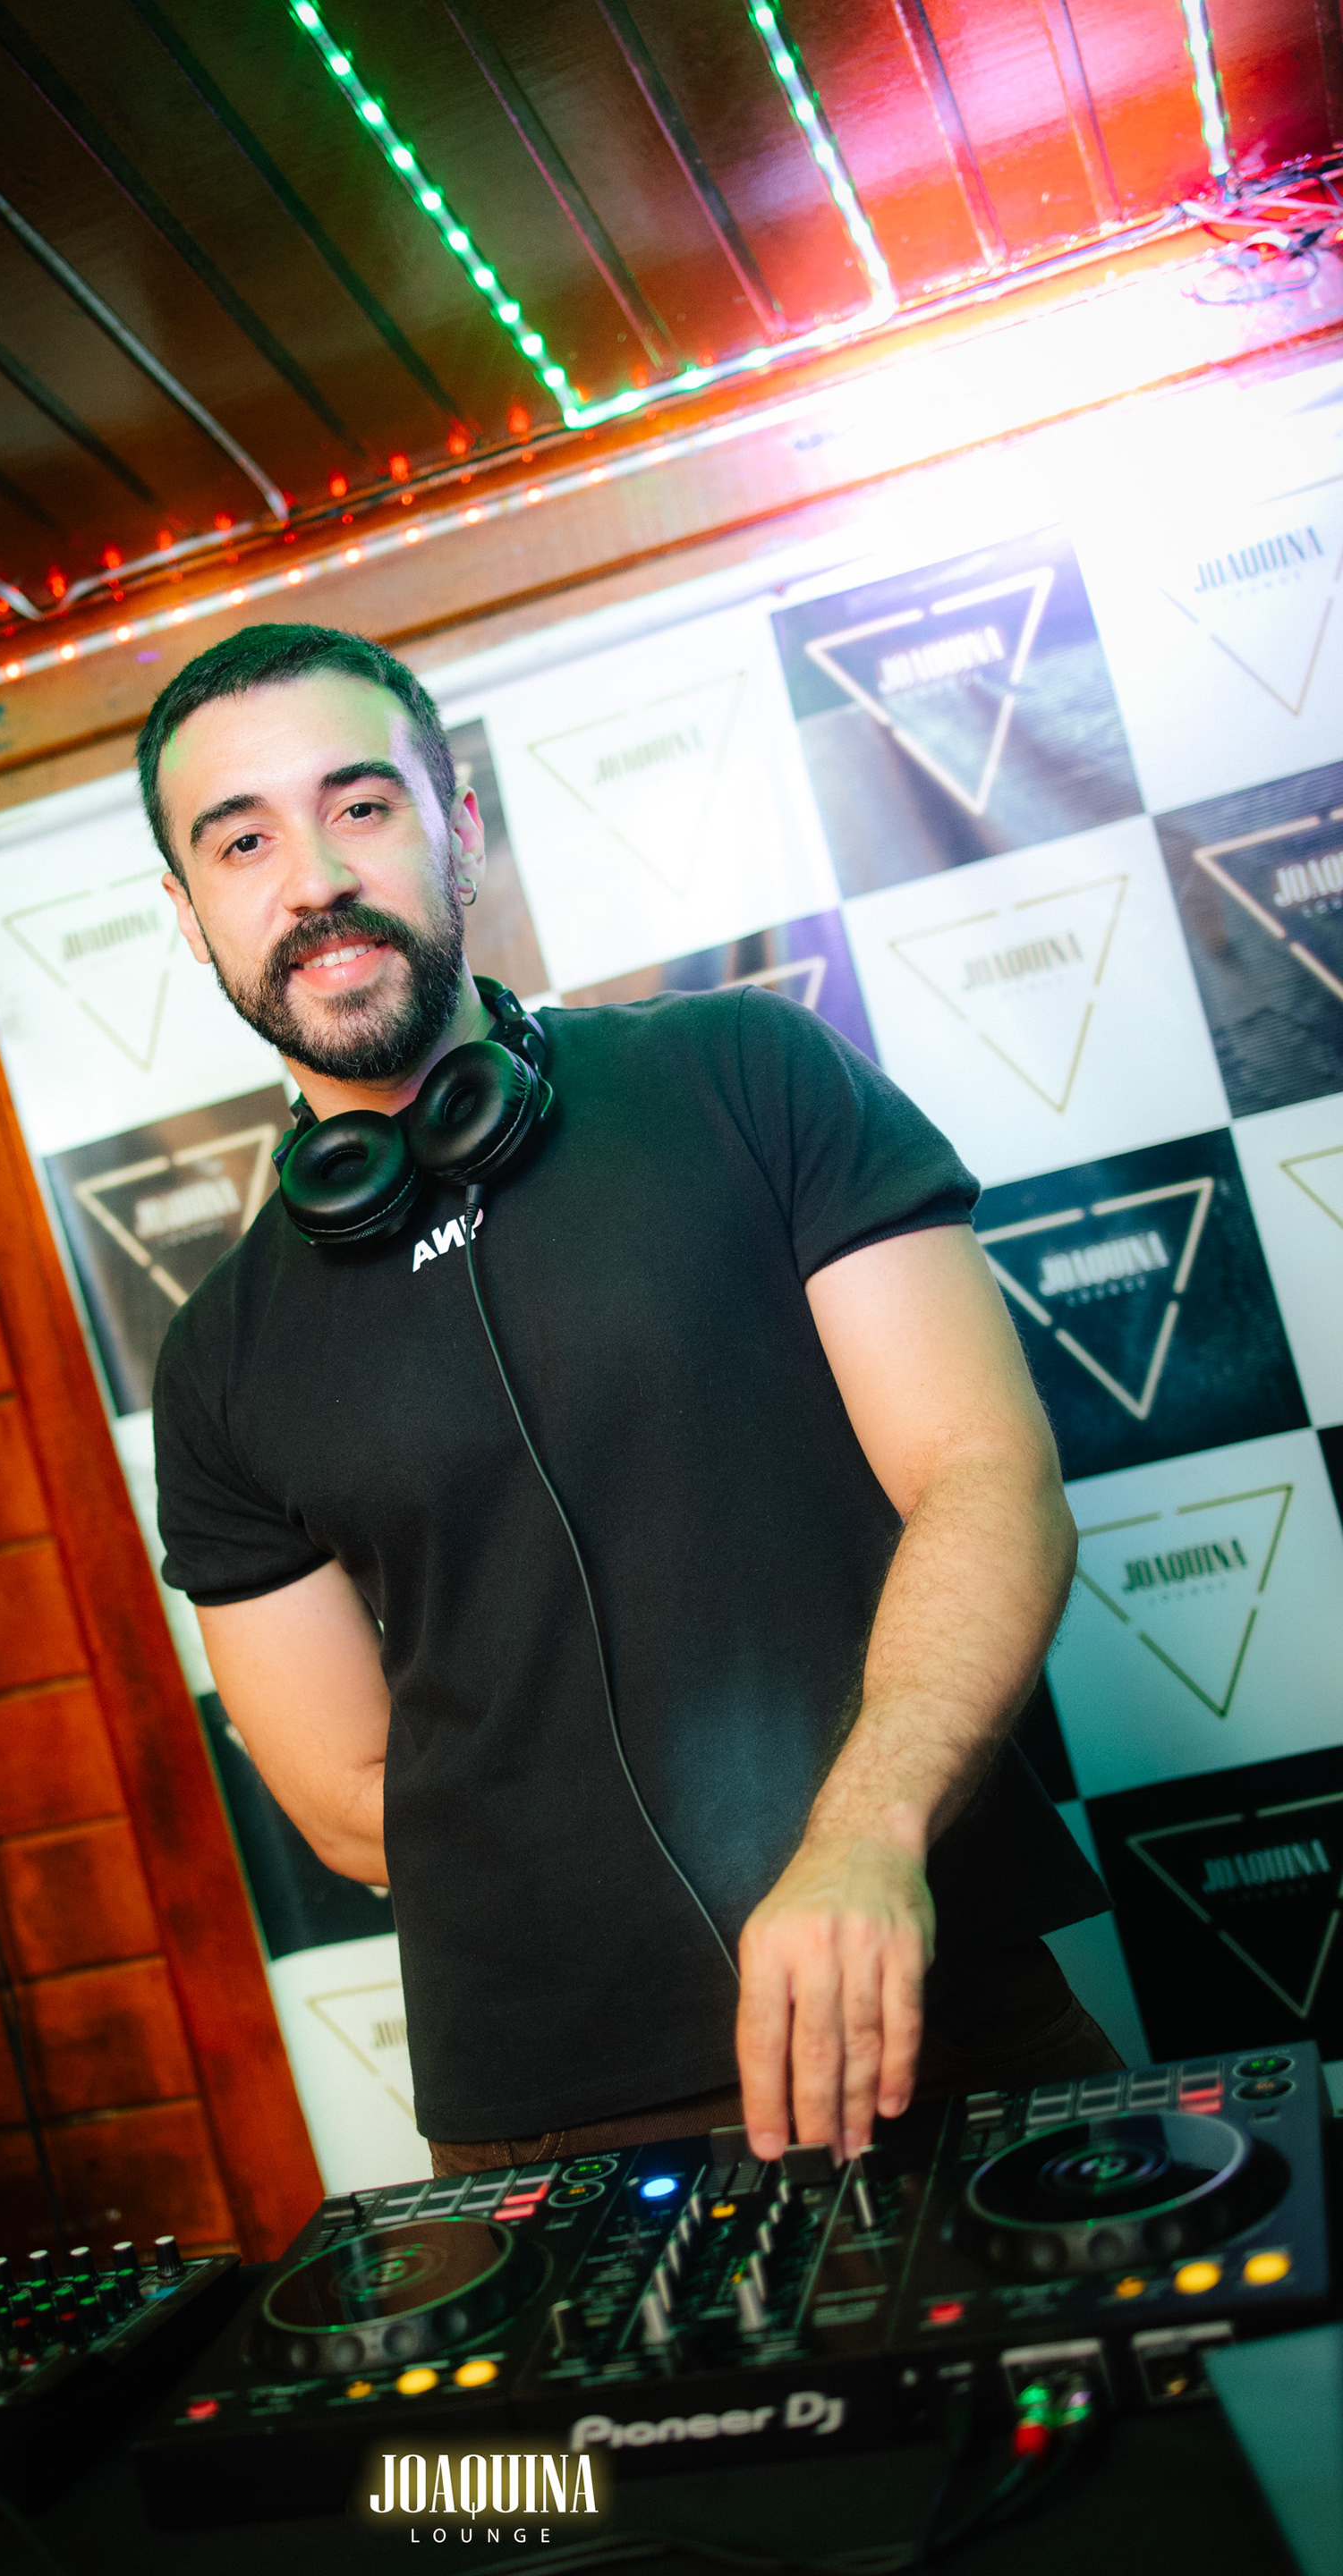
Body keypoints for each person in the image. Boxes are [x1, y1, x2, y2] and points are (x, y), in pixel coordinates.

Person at [142, 623, 1118, 2180]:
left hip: (938, 2009)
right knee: (519, 2389)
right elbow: (342, 1801)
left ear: (460, 829)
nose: (313, 877)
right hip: (539, 2138)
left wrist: (860, 1836)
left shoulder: (747, 1074)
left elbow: (986, 1475)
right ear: (189, 916)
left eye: (361, 805)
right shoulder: (215, 1364)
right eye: (242, 841)